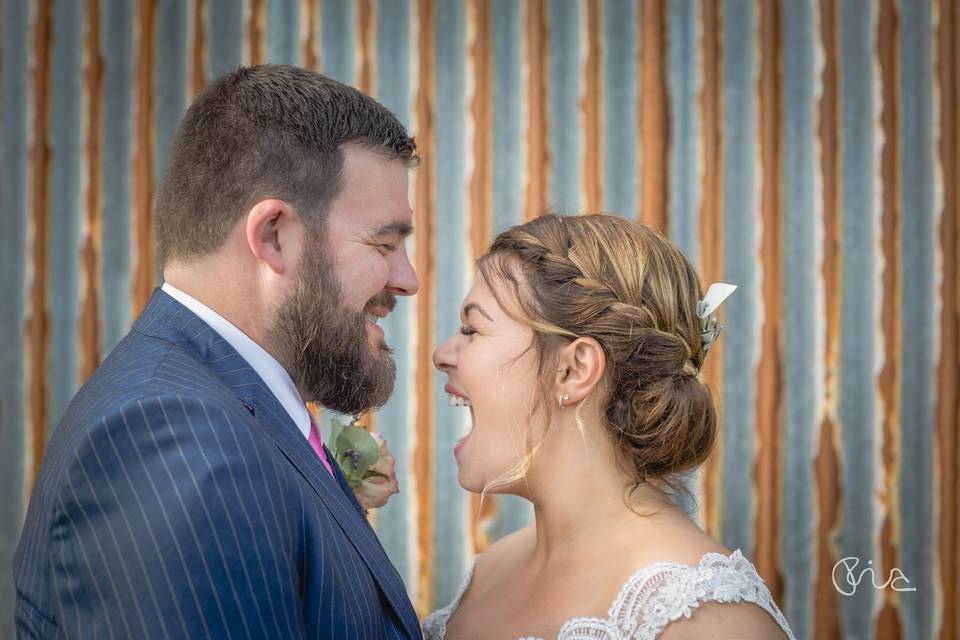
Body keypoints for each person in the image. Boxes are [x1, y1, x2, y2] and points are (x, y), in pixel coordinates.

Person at [14, 64, 422, 639]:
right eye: (384, 242)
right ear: (274, 236)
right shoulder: (177, 440)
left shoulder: (219, 409)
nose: (407, 280)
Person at [427, 214, 795, 639]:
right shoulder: (489, 572)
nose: (442, 354)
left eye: (472, 329)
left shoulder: (706, 620)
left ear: (574, 369)